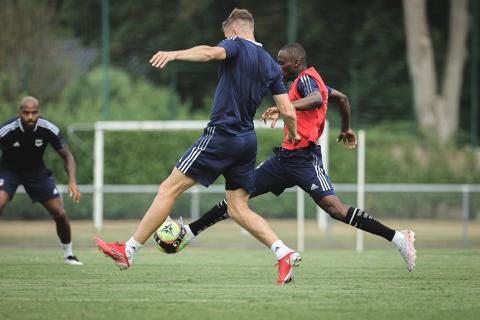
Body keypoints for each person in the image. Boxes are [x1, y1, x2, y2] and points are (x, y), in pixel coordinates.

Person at [95, 8, 302, 285]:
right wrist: (294, 135)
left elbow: (208, 53)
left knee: (169, 188)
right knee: (237, 207)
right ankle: (283, 252)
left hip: (222, 135)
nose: (224, 43)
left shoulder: (236, 44)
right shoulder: (268, 63)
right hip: (246, 140)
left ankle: (128, 250)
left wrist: (174, 54)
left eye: (225, 38)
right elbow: (287, 110)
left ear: (235, 32)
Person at [177, 43, 417, 272]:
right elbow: (342, 98)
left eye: (283, 64)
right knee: (237, 198)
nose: (279, 68)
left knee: (334, 209)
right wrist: (345, 128)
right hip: (283, 160)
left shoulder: (305, 80)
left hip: (305, 159)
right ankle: (188, 232)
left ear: (297, 62)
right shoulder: (310, 81)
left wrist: (284, 108)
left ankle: (398, 237)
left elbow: (314, 99)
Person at [0, 96, 83, 265]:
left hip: (37, 173)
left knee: (59, 212)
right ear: (19, 113)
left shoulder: (48, 128)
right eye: (26, 113)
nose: (30, 116)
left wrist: (72, 181)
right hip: (9, 171)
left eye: (34, 113)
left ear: (39, 113)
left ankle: (69, 254)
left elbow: (67, 156)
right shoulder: (7, 130)